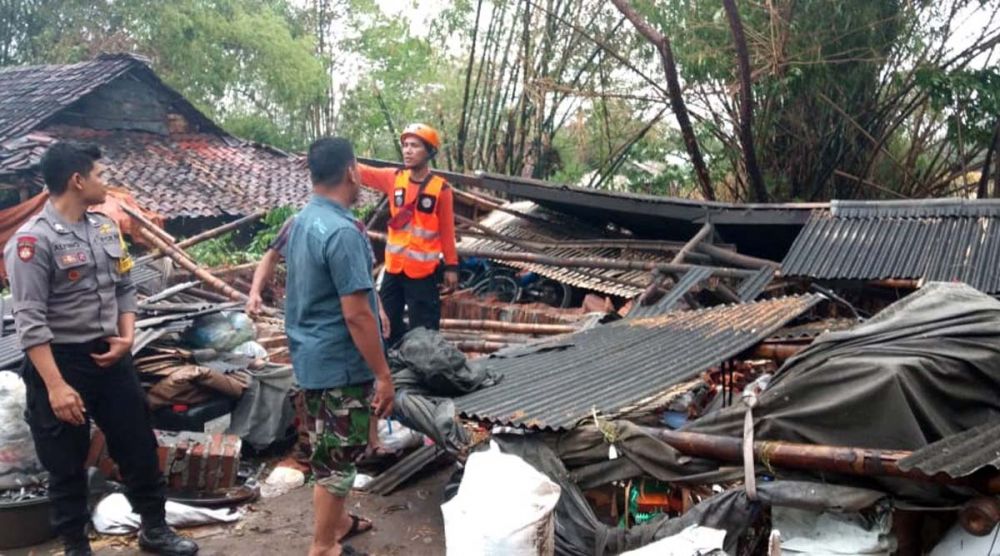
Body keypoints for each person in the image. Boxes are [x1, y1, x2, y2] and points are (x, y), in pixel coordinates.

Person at [3, 143, 198, 556]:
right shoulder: (32, 242)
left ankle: (154, 529)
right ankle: (76, 545)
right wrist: (56, 387)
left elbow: (125, 285)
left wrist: (126, 337)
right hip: (59, 362)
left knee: (138, 443)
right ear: (77, 180)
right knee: (65, 460)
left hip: (111, 357)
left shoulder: (105, 229)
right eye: (100, 174)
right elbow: (30, 322)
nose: (106, 181)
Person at [283, 137, 395, 556]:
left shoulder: (302, 222)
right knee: (338, 460)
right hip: (340, 366)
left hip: (311, 359)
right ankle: (324, 546)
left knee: (327, 450)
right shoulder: (344, 233)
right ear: (351, 171)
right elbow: (357, 315)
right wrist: (383, 375)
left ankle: (340, 524)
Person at [356, 123, 459, 347]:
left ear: (429, 152)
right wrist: (327, 160)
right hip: (394, 268)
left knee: (425, 328)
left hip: (423, 272)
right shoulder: (394, 178)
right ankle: (392, 361)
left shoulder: (441, 189)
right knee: (386, 322)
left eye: (415, 146)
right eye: (405, 145)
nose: (408, 151)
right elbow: (361, 171)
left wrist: (451, 266)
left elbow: (447, 231)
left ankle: (422, 362)